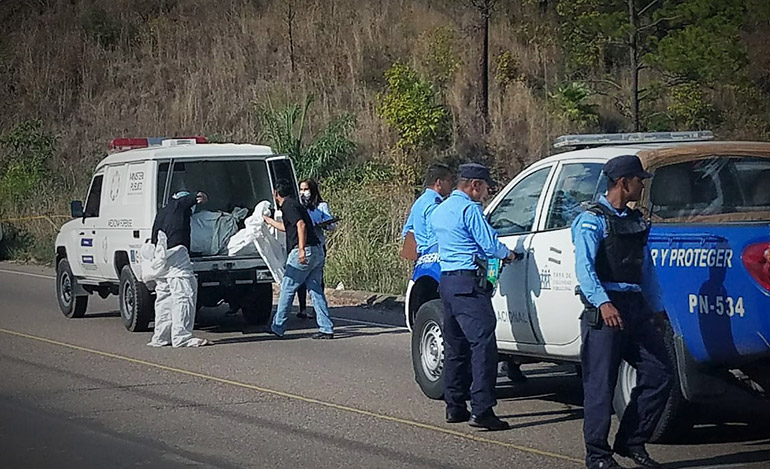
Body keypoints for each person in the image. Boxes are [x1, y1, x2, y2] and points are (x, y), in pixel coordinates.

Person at [571, 155, 672, 469]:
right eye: (638, 179)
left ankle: (631, 440)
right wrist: (603, 303)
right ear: (622, 182)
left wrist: (658, 309)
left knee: (660, 373)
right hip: (606, 309)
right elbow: (585, 269)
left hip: (635, 307)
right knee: (601, 385)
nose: (642, 185)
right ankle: (598, 456)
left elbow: (647, 269)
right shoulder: (591, 219)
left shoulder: (634, 219)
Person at [431, 163, 520, 431]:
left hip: (447, 281)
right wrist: (510, 255)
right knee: (483, 344)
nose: (485, 193)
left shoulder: (441, 209)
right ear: (474, 185)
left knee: (456, 346)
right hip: (468, 282)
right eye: (484, 188)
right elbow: (489, 244)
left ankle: (455, 405)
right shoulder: (470, 209)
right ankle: (482, 409)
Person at [263, 179, 334, 339]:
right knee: (315, 290)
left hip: (304, 251)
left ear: (275, 193)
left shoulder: (288, 205)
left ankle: (278, 327)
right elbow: (289, 227)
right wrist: (269, 222)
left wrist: (301, 250)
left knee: (288, 288)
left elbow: (300, 225)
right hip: (317, 250)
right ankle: (326, 328)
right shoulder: (296, 205)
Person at [147, 190, 211, 348]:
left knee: (164, 296)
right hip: (177, 256)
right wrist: (201, 197)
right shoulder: (179, 206)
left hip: (161, 258)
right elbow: (194, 197)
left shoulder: (162, 211)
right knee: (184, 294)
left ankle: (161, 336)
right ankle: (181, 336)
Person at [296, 178, 336, 320]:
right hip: (302, 244)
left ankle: (316, 308)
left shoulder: (321, 206)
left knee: (317, 278)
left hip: (318, 244)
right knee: (300, 277)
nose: (303, 192)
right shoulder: (298, 206)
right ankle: (302, 308)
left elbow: (331, 226)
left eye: (306, 189)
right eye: (301, 189)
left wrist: (324, 224)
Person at [401, 163, 454, 258]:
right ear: (439, 183)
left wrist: (418, 251)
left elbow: (407, 231)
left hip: (421, 259)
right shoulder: (435, 204)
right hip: (434, 257)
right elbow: (435, 234)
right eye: (448, 180)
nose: (451, 184)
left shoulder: (419, 202)